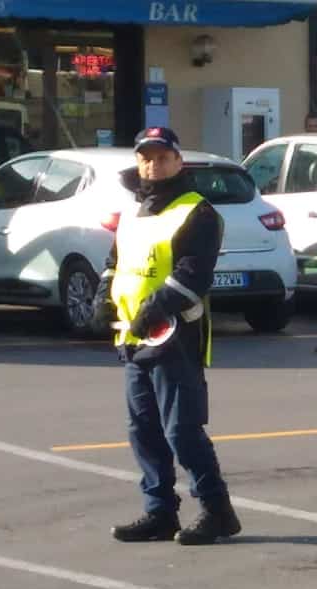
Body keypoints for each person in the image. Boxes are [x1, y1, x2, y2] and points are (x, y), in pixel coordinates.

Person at [103, 127, 242, 546]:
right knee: (143, 429)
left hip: (176, 337)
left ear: (179, 162)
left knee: (181, 430)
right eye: (146, 157)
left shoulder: (197, 212)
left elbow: (192, 275)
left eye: (162, 157)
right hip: (133, 337)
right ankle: (159, 512)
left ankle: (217, 511)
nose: (153, 164)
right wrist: (102, 298)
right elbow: (116, 262)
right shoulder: (133, 212)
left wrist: (155, 308)